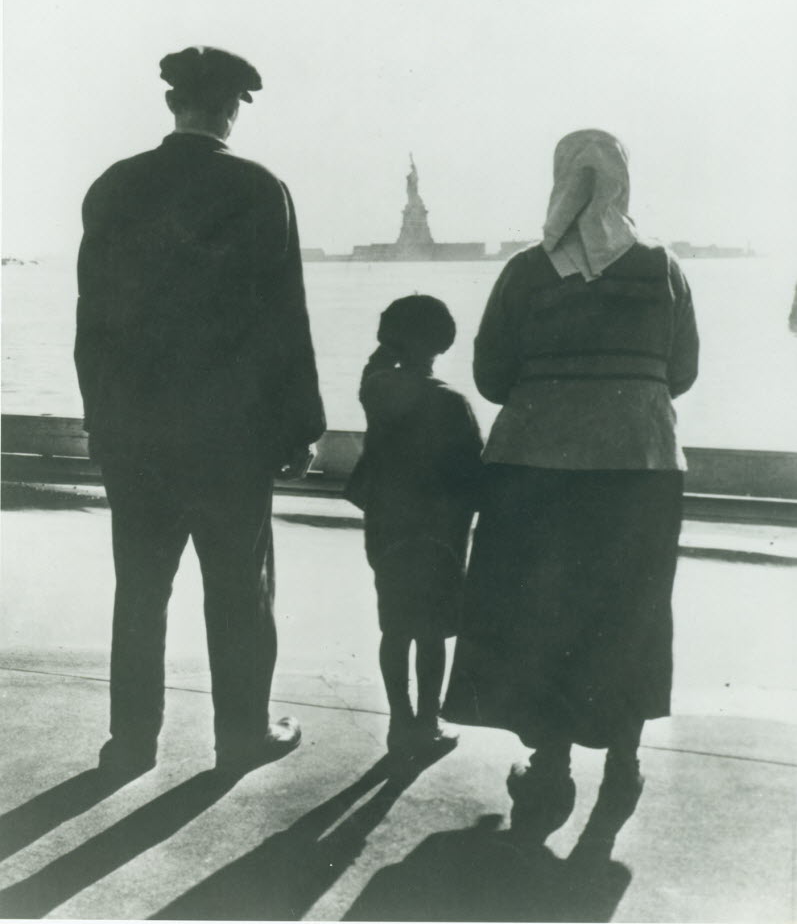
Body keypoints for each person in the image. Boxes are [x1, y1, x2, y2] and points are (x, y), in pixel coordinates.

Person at [74, 46, 325, 777]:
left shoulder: (114, 186)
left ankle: (131, 744)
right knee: (238, 592)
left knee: (141, 591)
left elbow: (93, 320)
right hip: (231, 435)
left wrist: (100, 420)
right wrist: (299, 426)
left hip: (135, 431)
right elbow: (285, 318)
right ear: (231, 108)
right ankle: (242, 736)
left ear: (171, 104)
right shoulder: (257, 188)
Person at [443, 129, 699, 839]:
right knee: (630, 608)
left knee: (540, 611)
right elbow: (681, 372)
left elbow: (491, 376)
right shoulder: (662, 269)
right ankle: (623, 759)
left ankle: (548, 762)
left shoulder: (527, 271)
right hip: (639, 467)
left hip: (535, 469)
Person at [345, 296, 483, 756]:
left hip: (388, 529)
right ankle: (427, 722)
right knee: (431, 631)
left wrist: (388, 345)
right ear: (444, 343)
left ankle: (399, 722)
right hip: (439, 535)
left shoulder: (377, 391)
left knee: (395, 627)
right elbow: (474, 476)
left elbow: (374, 368)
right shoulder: (453, 404)